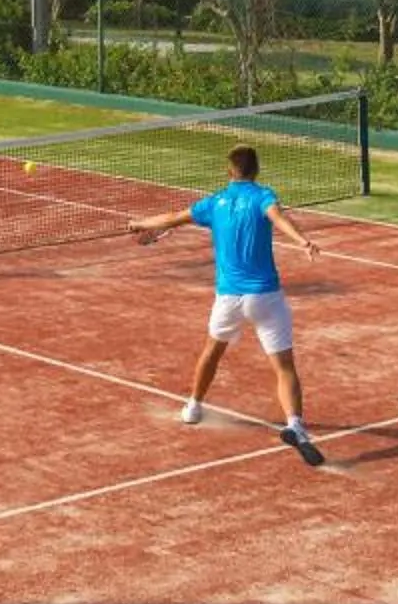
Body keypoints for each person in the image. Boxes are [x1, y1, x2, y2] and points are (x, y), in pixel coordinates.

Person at [128, 145, 324, 464]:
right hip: (266, 297)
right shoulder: (263, 196)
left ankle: (193, 407)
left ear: (229, 171)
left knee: (212, 352)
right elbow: (279, 218)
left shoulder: (214, 203)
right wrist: (303, 242)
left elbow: (173, 219)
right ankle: (295, 425)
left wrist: (141, 224)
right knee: (284, 366)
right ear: (256, 170)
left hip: (229, 299)